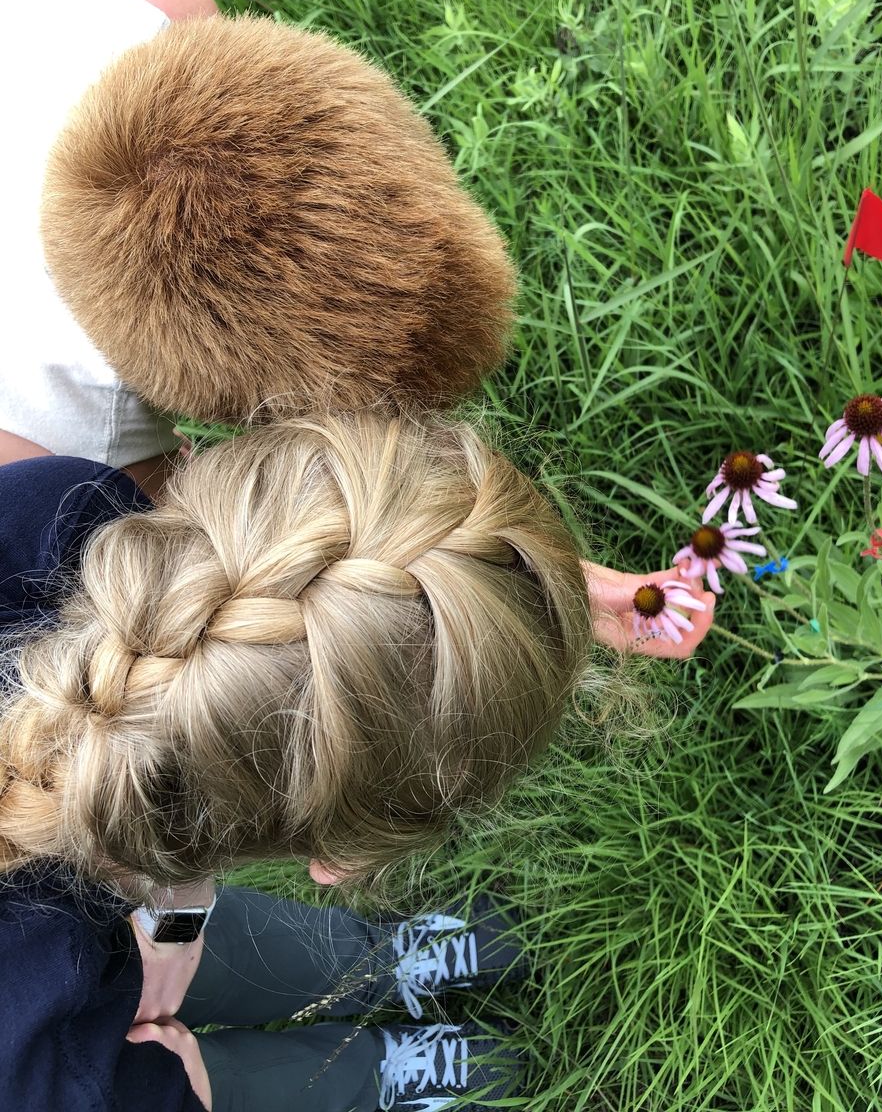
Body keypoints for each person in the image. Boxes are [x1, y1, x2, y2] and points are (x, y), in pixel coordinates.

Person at [0, 0, 716, 656]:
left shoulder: (141, 3)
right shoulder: (66, 468)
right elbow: (245, 564)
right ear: (239, 420)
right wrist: (533, 588)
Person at [1, 409, 619, 1111]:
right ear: (339, 856)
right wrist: (183, 1085)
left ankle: (387, 960)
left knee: (223, 961)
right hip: (102, 1062)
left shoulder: (62, 521)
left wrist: (177, 921)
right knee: (234, 1082)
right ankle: (378, 1067)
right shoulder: (62, 510)